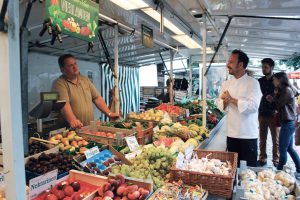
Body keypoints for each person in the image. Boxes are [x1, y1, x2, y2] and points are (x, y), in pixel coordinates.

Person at [217, 49, 262, 167]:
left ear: (241, 65)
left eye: (231, 62)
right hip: (231, 134)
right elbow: (220, 104)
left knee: (248, 171)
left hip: (248, 135)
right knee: (232, 169)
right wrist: (225, 102)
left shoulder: (253, 83)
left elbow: (253, 106)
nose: (227, 65)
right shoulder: (226, 84)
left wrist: (231, 99)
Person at [52, 54, 119, 128]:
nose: (75, 67)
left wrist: (109, 113)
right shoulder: (59, 83)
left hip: (88, 127)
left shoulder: (84, 80)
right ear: (62, 69)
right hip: (71, 129)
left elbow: (96, 98)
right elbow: (64, 104)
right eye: (70, 65)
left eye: (75, 63)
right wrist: (73, 120)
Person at [266, 72, 300, 173]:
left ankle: (280, 169)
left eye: (274, 79)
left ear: (280, 79)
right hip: (288, 122)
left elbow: (279, 104)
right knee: (289, 148)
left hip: (288, 123)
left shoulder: (287, 90)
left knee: (282, 147)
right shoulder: (284, 90)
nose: (273, 81)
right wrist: (274, 98)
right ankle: (299, 168)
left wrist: (273, 98)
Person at [257, 58, 279, 167]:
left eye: (265, 67)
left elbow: (281, 96)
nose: (263, 69)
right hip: (262, 113)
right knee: (262, 138)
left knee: (275, 139)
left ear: (272, 67)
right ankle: (262, 158)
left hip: (273, 114)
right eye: (262, 67)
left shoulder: (277, 81)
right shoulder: (260, 81)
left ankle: (276, 159)